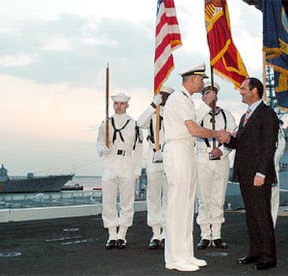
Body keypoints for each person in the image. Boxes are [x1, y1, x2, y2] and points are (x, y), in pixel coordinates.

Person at [163, 63, 230, 272]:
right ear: (192, 79)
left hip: (186, 152)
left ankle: (185, 254)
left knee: (187, 206)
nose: (202, 84)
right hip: (177, 151)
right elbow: (193, 129)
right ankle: (174, 258)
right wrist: (218, 133)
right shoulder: (179, 98)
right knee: (178, 206)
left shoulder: (186, 100)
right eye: (201, 80)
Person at [225, 77, 279, 270]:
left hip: (257, 174)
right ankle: (255, 251)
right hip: (245, 172)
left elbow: (268, 147)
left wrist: (262, 173)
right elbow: (241, 143)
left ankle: (268, 256)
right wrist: (227, 140)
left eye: (243, 88)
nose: (240, 92)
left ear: (254, 90)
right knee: (251, 215)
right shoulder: (246, 116)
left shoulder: (267, 114)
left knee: (262, 214)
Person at [95, 92, 143, 250]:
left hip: (126, 163)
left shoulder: (134, 125)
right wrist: (102, 148)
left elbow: (139, 149)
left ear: (127, 105)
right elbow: (99, 141)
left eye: (122, 103)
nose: (119, 106)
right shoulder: (106, 123)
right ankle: (111, 235)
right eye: (116, 103)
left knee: (126, 201)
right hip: (109, 163)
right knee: (108, 201)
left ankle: (122, 234)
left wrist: (137, 170)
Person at [195, 82, 237, 250]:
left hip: (220, 160)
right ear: (202, 96)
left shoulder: (226, 115)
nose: (210, 96)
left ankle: (217, 234)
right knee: (204, 199)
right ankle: (205, 235)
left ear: (217, 95)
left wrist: (222, 151)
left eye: (212, 93)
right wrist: (204, 106)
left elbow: (234, 136)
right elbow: (191, 128)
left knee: (218, 198)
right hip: (202, 159)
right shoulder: (197, 114)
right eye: (206, 93)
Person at [137, 85, 174, 250]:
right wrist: (153, 106)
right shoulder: (153, 112)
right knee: (153, 195)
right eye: (161, 95)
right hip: (153, 155)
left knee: (168, 195)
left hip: (169, 156)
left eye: (166, 95)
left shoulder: (173, 113)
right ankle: (156, 233)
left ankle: (166, 231)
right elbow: (140, 122)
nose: (164, 97)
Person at [271, 120, 287, 228]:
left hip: (271, 169)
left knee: (272, 201)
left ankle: (270, 227)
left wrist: (269, 162)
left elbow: (281, 146)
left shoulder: (277, 127)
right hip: (255, 169)